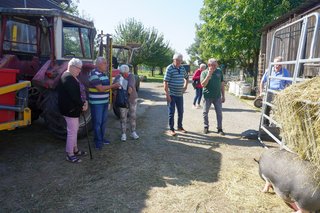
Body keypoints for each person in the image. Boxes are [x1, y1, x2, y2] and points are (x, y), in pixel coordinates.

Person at [57, 58, 88, 163]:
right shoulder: (68, 78)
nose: (80, 71)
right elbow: (75, 96)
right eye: (78, 69)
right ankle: (70, 154)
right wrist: (83, 104)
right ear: (72, 67)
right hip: (70, 109)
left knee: (75, 130)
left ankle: (75, 150)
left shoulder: (71, 76)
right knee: (72, 132)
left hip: (73, 109)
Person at [88, 56, 120, 149]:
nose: (107, 65)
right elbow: (100, 88)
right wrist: (113, 86)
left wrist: (113, 88)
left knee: (103, 122)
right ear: (98, 64)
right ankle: (97, 141)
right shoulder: (93, 74)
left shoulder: (104, 74)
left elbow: (107, 87)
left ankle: (101, 138)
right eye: (105, 63)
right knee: (97, 122)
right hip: (96, 103)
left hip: (104, 102)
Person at [259, 56, 291, 126]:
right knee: (266, 108)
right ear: (273, 63)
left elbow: (289, 84)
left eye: (279, 64)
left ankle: (273, 126)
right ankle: (265, 124)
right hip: (269, 92)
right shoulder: (268, 71)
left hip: (279, 93)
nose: (277, 66)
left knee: (277, 110)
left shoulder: (285, 72)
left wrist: (286, 93)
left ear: (281, 64)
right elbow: (262, 82)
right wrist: (261, 92)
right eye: (276, 64)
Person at [163, 53, 189, 136]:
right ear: (173, 60)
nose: (178, 62)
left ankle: (180, 127)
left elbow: (187, 77)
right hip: (172, 94)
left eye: (180, 61)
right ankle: (171, 129)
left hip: (180, 94)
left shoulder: (182, 68)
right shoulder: (169, 68)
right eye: (177, 60)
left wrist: (185, 86)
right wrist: (167, 94)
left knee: (181, 111)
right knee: (171, 112)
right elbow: (165, 82)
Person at [114, 64, 139, 141]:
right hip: (122, 100)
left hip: (132, 99)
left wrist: (129, 88)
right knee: (123, 117)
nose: (125, 75)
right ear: (120, 72)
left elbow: (131, 85)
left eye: (126, 73)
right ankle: (123, 134)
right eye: (123, 73)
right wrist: (115, 87)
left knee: (133, 116)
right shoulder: (118, 77)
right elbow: (114, 86)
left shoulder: (131, 76)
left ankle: (133, 132)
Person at [200, 58, 225, 135]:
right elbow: (203, 85)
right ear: (208, 65)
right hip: (207, 96)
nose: (215, 67)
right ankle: (206, 127)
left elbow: (222, 84)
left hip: (217, 96)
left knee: (219, 113)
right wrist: (208, 75)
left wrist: (223, 95)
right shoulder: (204, 73)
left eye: (215, 65)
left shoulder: (219, 71)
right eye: (213, 65)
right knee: (205, 112)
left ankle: (220, 128)